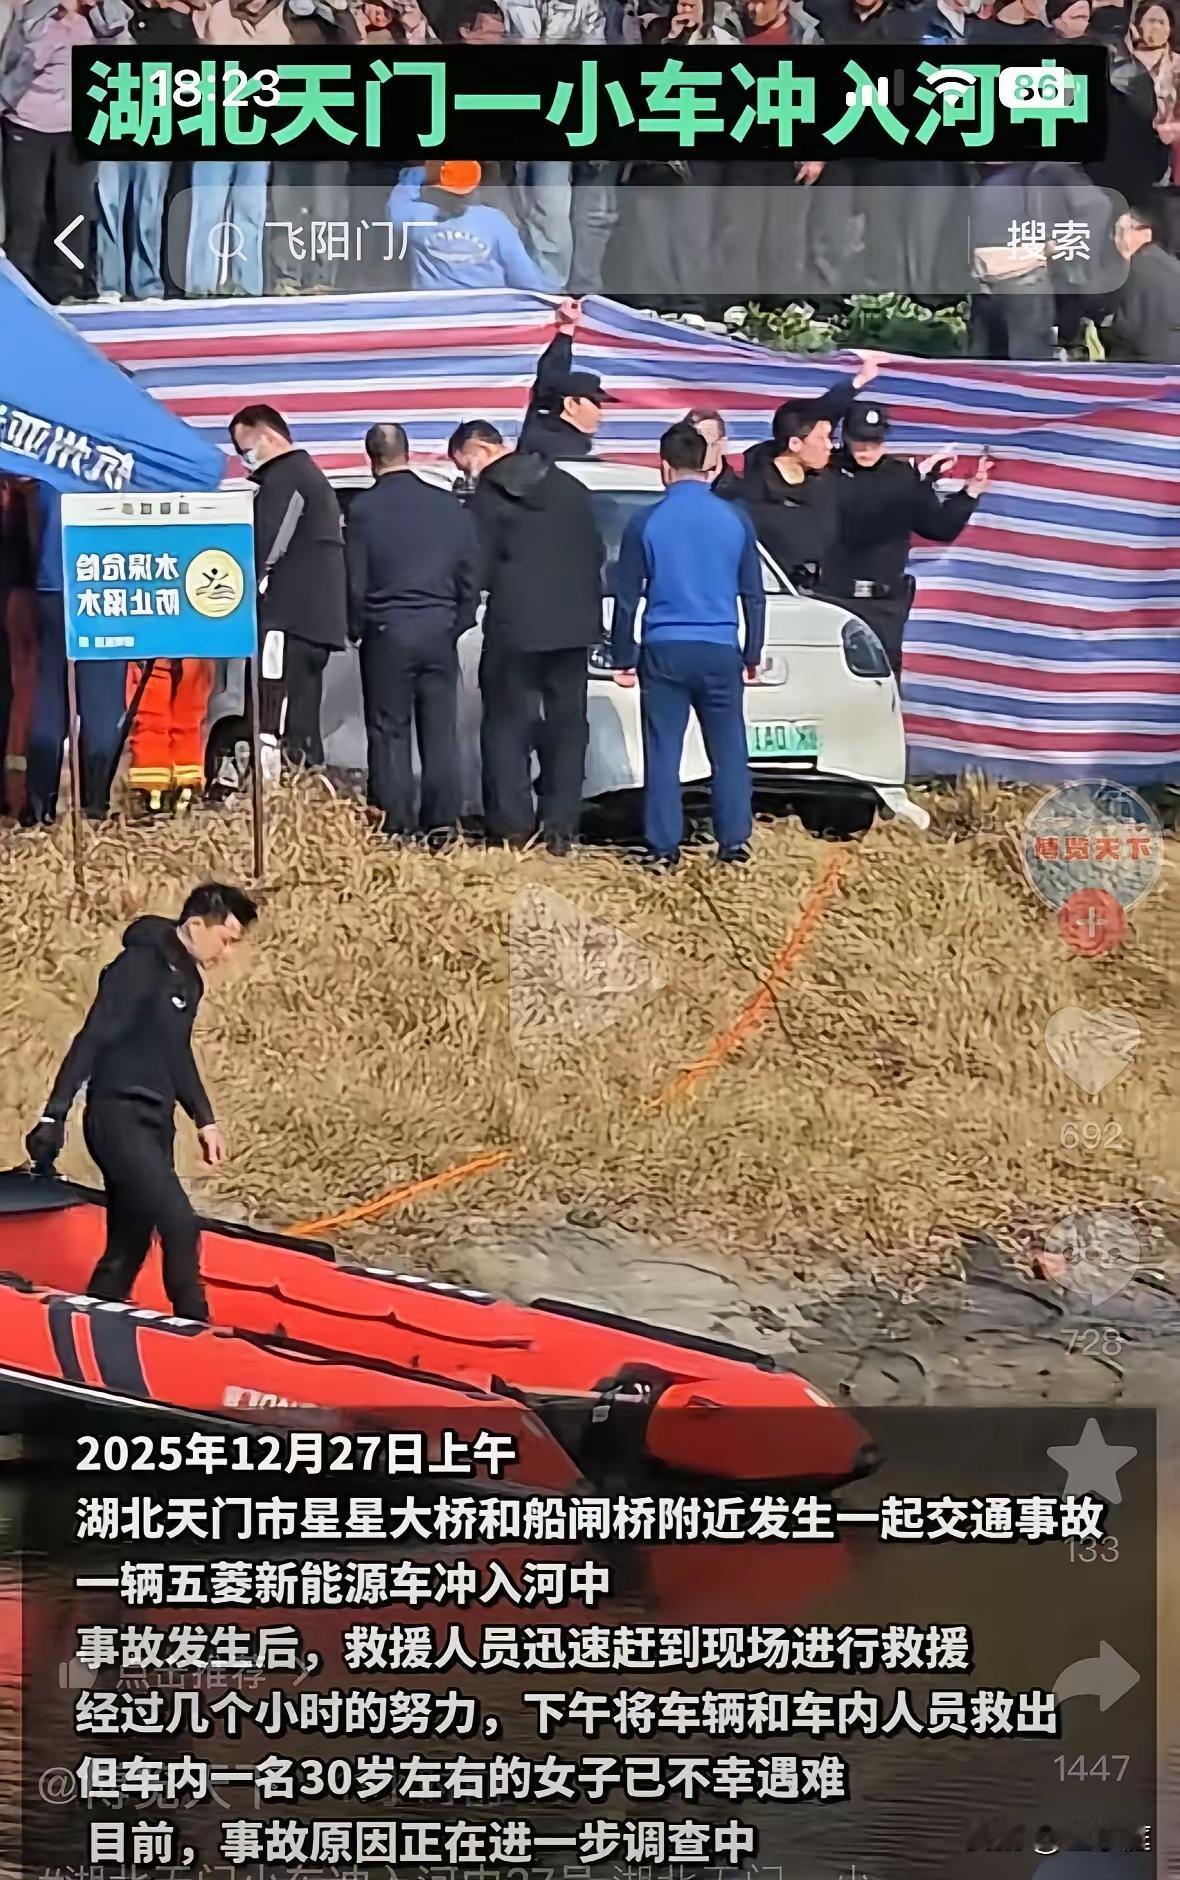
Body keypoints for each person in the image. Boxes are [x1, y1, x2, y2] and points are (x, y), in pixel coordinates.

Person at [24, 883, 257, 1323]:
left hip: (155, 1121)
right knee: (179, 1223)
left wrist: (204, 1119)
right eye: (226, 940)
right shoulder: (137, 965)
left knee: (129, 1244)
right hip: (117, 1116)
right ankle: (197, 1327)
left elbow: (176, 1054)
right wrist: (54, 1114)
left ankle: (93, 1322)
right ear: (196, 925)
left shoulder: (189, 981)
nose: (226, 954)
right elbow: (93, 1036)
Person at [611, 423, 764, 870]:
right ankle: (734, 844)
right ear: (709, 464)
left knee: (663, 750)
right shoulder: (735, 519)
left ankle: (663, 848)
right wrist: (752, 652)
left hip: (665, 647)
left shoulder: (646, 521)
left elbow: (627, 595)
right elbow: (753, 594)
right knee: (729, 748)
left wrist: (623, 655)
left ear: (664, 467)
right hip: (720, 646)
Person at [453, 418, 603, 854]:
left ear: (479, 451)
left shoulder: (488, 497)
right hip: (574, 626)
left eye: (463, 464)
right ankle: (560, 828)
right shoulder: (571, 488)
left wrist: (464, 608)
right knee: (567, 728)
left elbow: (476, 564)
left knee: (506, 728)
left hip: (515, 626)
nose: (467, 474)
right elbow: (596, 552)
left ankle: (511, 828)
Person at [346, 422, 481, 843]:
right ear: (408, 452)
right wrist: (458, 620)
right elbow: (470, 573)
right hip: (439, 628)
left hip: (387, 629)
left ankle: (395, 823)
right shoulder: (447, 506)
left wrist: (356, 628)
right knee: (440, 731)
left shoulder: (364, 510)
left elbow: (355, 581)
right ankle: (441, 823)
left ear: (372, 459)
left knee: (389, 731)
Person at [820, 401, 993, 680]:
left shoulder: (901, 476)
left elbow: (939, 527)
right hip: (829, 599)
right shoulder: (824, 470)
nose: (867, 449)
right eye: (860, 440)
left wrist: (969, 493)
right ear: (845, 436)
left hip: (884, 605)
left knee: (881, 683)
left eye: (874, 440)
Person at [228, 404, 349, 777]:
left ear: (267, 435)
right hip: (314, 622)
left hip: (286, 619)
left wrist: (239, 591)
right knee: (301, 713)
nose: (244, 459)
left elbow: (266, 546)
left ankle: (272, 789)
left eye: (245, 448)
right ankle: (304, 781)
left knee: (271, 712)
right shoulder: (310, 476)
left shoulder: (286, 477)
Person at [23, 481, 127, 827]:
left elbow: (34, 523)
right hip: (106, 584)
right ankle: (93, 809)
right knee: (102, 704)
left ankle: (40, 808)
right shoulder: (126, 465)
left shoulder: (50, 461)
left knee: (50, 697)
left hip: (53, 582)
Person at [738, 364, 878, 586]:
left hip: (833, 593)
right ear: (795, 443)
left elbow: (829, 410)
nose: (829, 446)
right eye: (822, 439)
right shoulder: (754, 492)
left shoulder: (827, 478)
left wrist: (857, 382)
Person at [388, 160, 559, 291]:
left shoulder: (415, 216)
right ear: (476, 185)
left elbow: (398, 199)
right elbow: (525, 278)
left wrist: (421, 172)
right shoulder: (495, 221)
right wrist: (554, 292)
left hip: (434, 314)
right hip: (487, 314)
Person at [518, 298, 619, 461]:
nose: (600, 412)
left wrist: (566, 329)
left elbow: (550, 377)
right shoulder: (573, 448)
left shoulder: (534, 425)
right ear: (571, 404)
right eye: (594, 402)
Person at [1105, 204, 1180, 358]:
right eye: (1115, 231)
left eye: (1124, 231)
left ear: (1146, 233)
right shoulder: (1173, 265)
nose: (1115, 238)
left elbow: (1125, 328)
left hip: (1137, 360)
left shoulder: (1129, 270)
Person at [685, 407, 743, 497]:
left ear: (722, 443)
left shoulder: (742, 494)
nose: (701, 448)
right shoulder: (673, 492)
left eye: (709, 435)